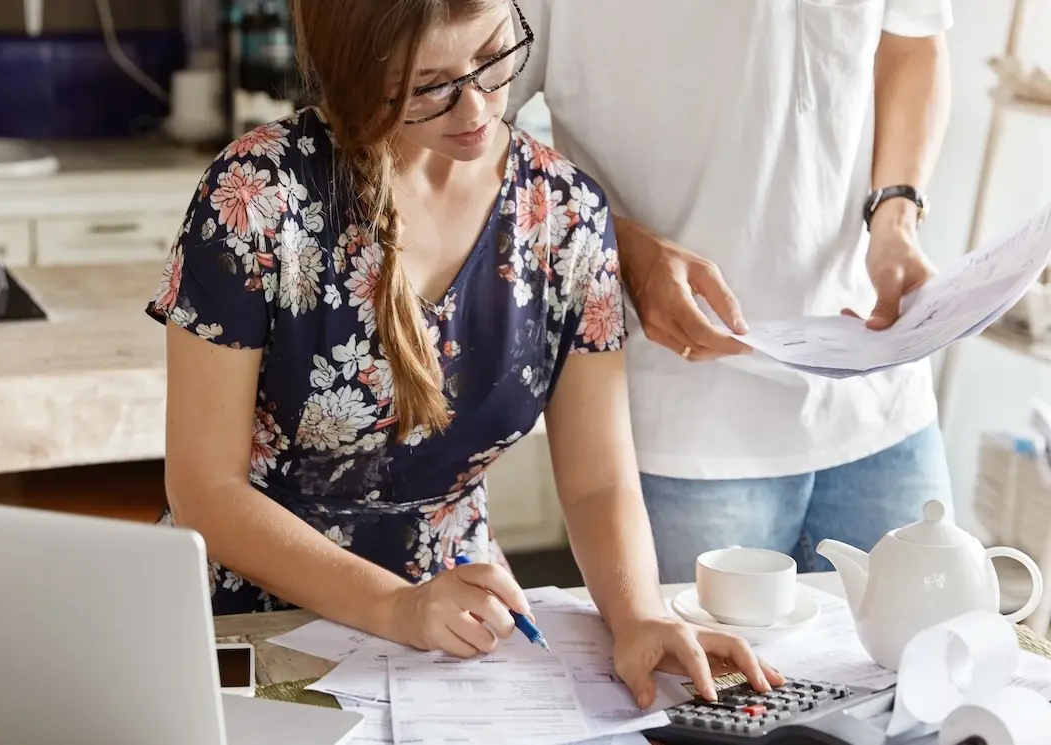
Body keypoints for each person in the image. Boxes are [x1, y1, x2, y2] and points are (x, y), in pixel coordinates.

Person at [148, 0, 784, 707]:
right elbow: (206, 492)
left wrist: (641, 614)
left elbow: (599, 478)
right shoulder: (256, 197)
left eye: (493, 55)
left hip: (463, 626)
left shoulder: (566, 214)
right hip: (253, 620)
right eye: (430, 86)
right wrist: (397, 606)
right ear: (362, 75)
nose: (478, 107)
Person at [507, 1, 955, 583]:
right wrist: (625, 248)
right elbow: (469, 120)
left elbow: (913, 44)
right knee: (706, 676)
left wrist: (896, 209)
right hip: (681, 417)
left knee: (927, 663)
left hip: (880, 395)